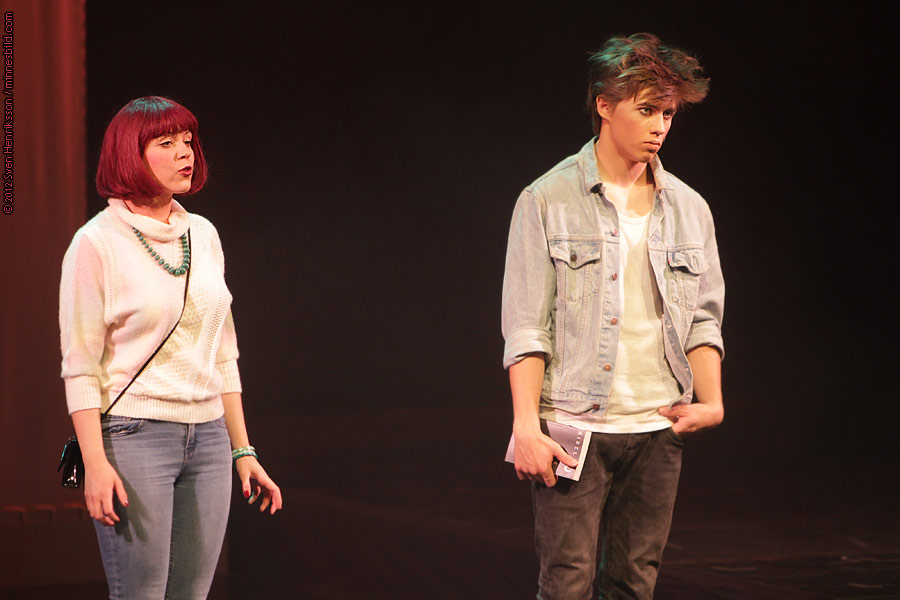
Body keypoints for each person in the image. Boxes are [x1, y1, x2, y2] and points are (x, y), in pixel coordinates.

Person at [502, 33, 724, 599]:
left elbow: (703, 316)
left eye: (668, 114)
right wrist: (526, 426)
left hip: (657, 425)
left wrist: (712, 399)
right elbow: (527, 325)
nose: (660, 126)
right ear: (604, 104)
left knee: (633, 584)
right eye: (646, 109)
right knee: (567, 584)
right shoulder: (546, 199)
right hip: (574, 425)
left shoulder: (689, 208)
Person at [59, 96, 283, 599]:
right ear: (130, 156)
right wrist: (95, 463)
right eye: (166, 143)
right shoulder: (96, 244)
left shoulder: (203, 234)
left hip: (209, 438)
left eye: (188, 140)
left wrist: (242, 449)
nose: (186, 152)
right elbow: (80, 366)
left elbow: (222, 351)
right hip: (134, 437)